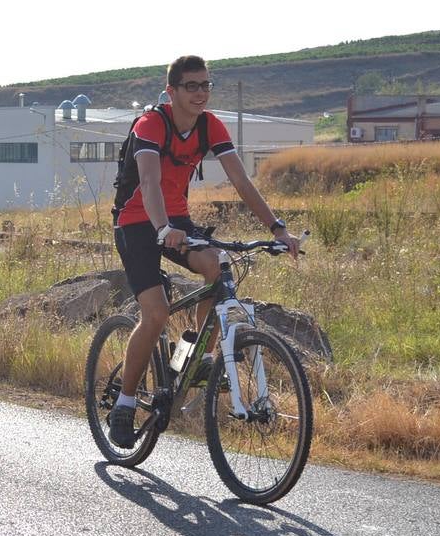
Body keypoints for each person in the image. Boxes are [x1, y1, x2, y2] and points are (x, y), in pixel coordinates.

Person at [107, 55, 301, 449]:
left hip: (176, 222)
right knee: (157, 313)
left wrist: (277, 229)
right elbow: (148, 182)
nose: (200, 93)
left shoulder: (210, 125)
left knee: (217, 268)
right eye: (191, 86)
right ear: (171, 92)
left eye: (206, 85)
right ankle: (124, 405)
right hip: (137, 222)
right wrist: (162, 229)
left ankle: (193, 357)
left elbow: (241, 181)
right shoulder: (150, 124)